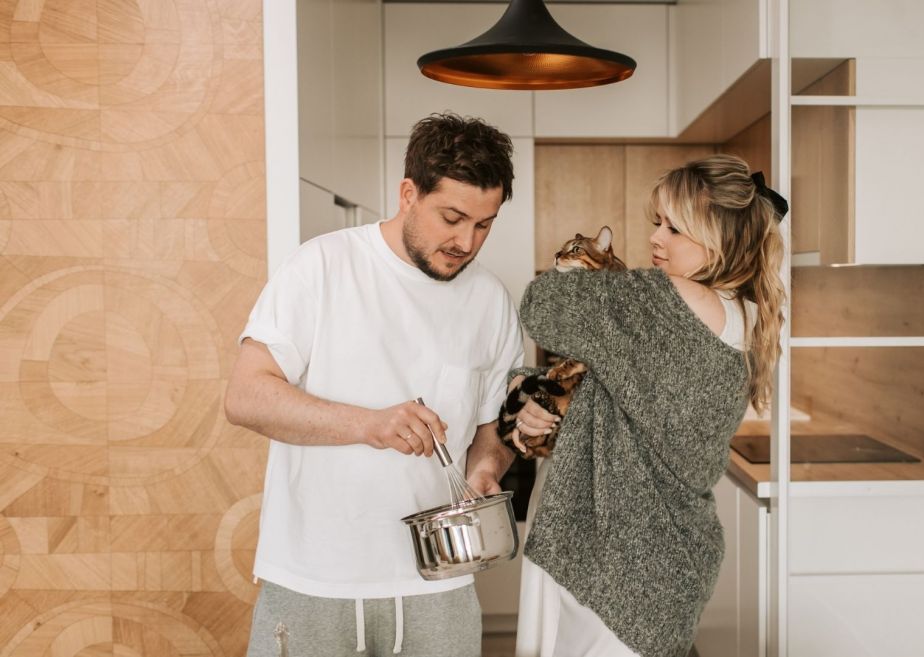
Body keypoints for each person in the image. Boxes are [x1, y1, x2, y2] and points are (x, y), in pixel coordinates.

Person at [223, 113, 523, 657]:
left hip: (441, 583)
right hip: (315, 577)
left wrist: (486, 468)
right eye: (452, 217)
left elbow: (491, 425)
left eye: (484, 224)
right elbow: (245, 396)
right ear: (408, 193)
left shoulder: (489, 299)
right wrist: (370, 424)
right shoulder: (323, 266)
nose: (466, 241)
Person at [509, 154, 787, 657]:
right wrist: (540, 400)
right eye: (657, 223)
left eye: (674, 229)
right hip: (657, 562)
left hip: (612, 562)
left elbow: (543, 305)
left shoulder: (674, 298)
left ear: (719, 239)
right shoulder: (736, 312)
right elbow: (625, 396)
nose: (656, 238)